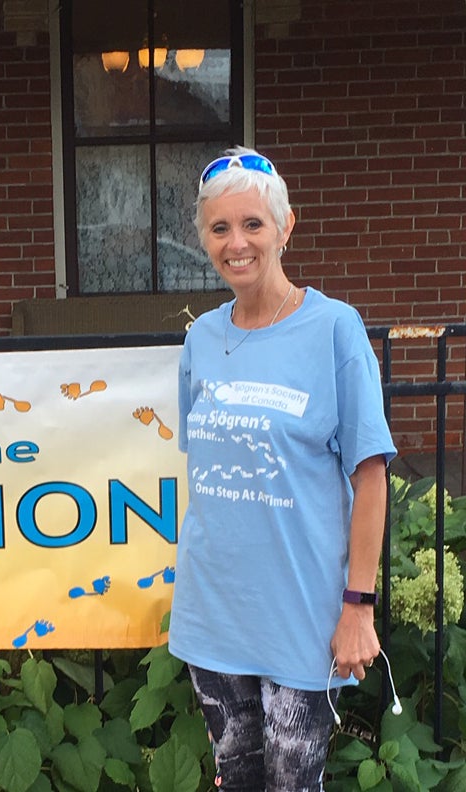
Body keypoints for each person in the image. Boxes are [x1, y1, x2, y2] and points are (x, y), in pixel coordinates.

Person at [169, 147, 397, 791]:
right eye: (220, 229)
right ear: (205, 240)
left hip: (303, 613)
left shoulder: (335, 330)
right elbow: (207, 472)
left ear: (284, 227)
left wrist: (358, 605)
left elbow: (370, 475)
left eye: (252, 225)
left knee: (294, 784)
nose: (236, 243)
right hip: (213, 610)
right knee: (234, 780)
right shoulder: (200, 340)